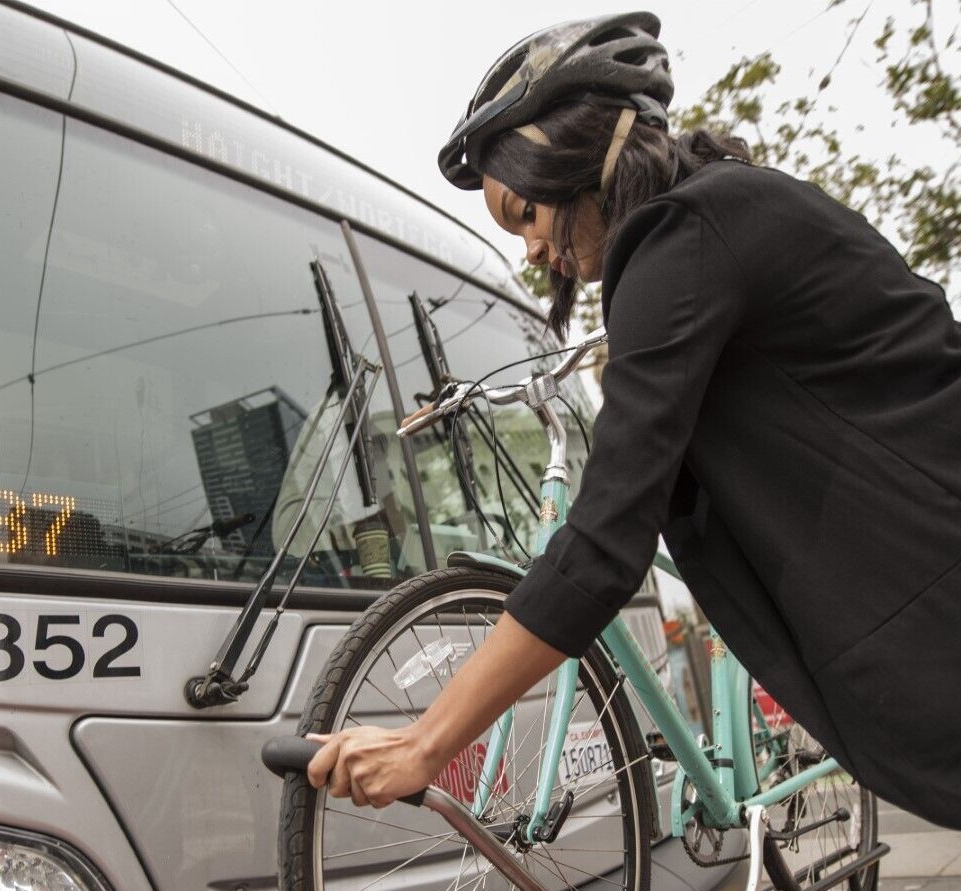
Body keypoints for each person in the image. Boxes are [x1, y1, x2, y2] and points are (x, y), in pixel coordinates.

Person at [308, 13, 961, 828]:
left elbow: (609, 535)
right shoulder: (727, 215)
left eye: (524, 216)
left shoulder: (683, 234)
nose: (534, 253)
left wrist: (425, 743)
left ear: (573, 157)